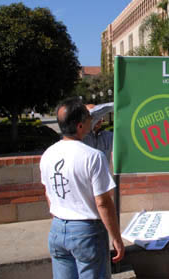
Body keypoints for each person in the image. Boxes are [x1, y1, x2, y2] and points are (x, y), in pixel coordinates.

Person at [40, 97, 124, 278]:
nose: (92, 120)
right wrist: (116, 238)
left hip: (57, 229)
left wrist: (63, 218)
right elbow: (102, 202)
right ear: (79, 126)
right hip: (86, 232)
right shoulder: (93, 156)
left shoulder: (48, 154)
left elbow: (48, 193)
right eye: (88, 118)